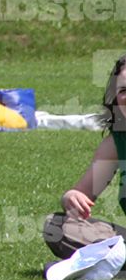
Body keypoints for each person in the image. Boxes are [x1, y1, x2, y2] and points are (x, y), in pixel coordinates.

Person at [43, 53, 126, 259]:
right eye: (124, 91)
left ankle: (110, 264)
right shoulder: (116, 143)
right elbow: (82, 193)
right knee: (57, 227)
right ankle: (114, 261)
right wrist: (71, 198)